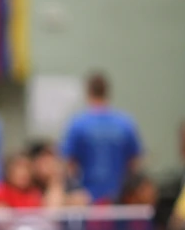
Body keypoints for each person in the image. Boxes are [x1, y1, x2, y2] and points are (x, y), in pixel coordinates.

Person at [60, 72, 143, 204]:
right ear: (107, 92)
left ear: (88, 92)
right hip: (119, 197)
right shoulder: (125, 123)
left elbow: (69, 163)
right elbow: (135, 163)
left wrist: (74, 190)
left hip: (86, 198)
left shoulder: (78, 124)